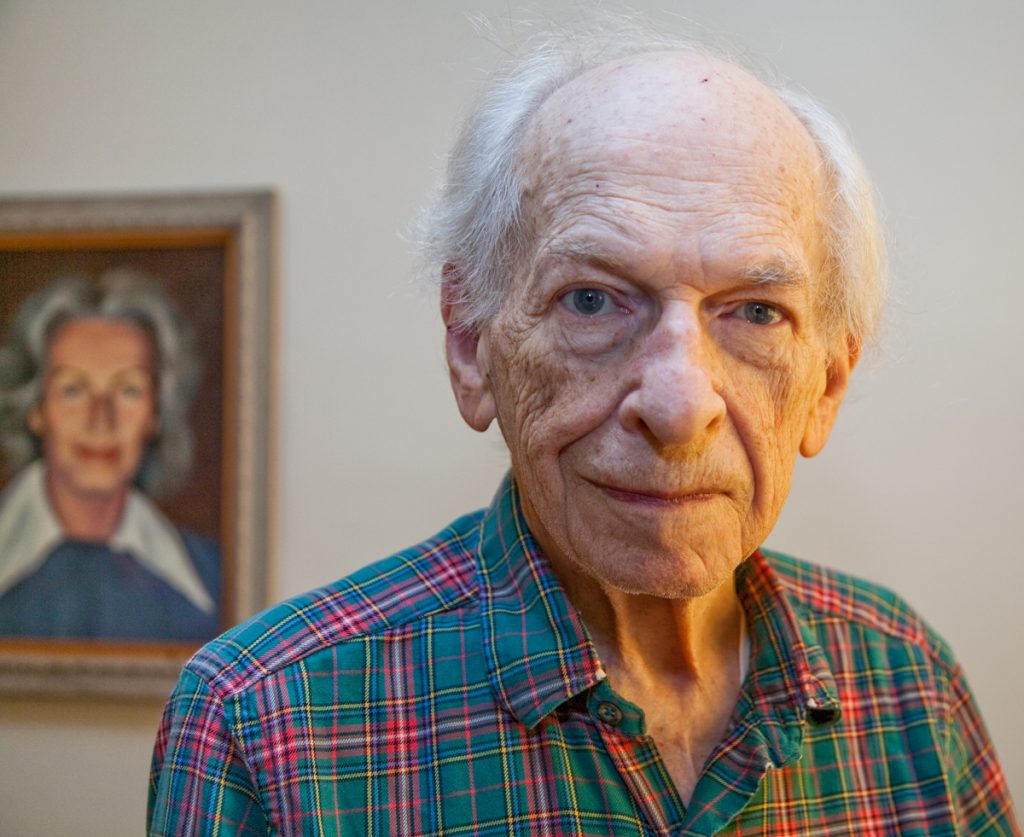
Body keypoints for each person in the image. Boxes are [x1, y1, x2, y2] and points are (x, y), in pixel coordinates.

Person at [148, 22, 1018, 836]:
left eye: (755, 312)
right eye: (593, 298)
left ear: (827, 382)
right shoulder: (265, 726)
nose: (680, 406)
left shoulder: (910, 684)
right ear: (469, 341)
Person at [0, 270, 220, 643]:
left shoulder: (211, 576)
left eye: (128, 390)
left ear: (155, 413)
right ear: (35, 408)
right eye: (73, 389)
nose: (101, 420)